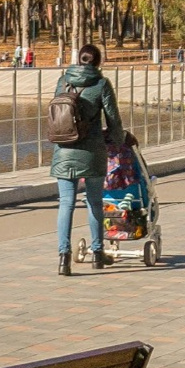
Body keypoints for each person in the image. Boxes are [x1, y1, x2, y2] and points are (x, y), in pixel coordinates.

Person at [48, 43, 121, 276]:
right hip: (92, 151)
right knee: (94, 202)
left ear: (79, 60)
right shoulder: (101, 84)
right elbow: (113, 120)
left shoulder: (63, 81)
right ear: (98, 62)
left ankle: (63, 257)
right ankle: (98, 254)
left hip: (64, 149)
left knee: (66, 203)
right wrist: (119, 140)